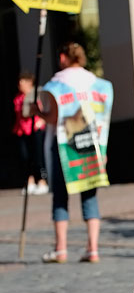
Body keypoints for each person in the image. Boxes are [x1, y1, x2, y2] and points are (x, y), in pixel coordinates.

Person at [31, 42, 102, 263]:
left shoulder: (57, 83)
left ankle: (60, 248)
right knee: (89, 195)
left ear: (63, 57)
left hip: (63, 144)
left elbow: (54, 117)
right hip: (90, 142)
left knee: (60, 196)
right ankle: (93, 248)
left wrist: (38, 113)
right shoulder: (95, 82)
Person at [13, 72, 48, 195]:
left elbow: (44, 110)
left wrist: (41, 121)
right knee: (25, 157)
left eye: (23, 81)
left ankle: (42, 181)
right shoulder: (18, 98)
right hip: (21, 130)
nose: (20, 84)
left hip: (34, 129)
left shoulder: (35, 95)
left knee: (38, 156)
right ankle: (30, 181)